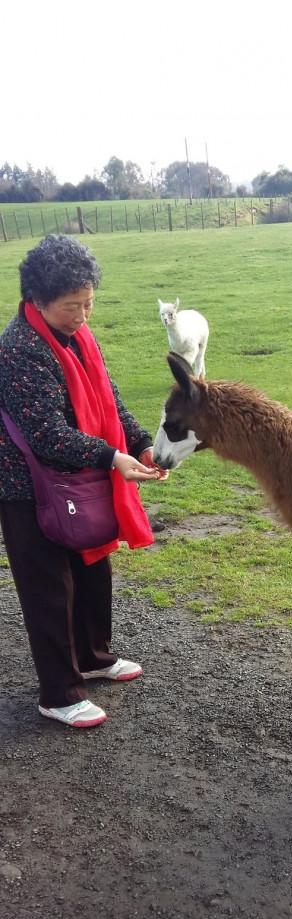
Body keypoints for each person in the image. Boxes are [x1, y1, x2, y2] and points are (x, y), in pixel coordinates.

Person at [0, 234, 165, 729]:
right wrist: (110, 455)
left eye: (88, 303)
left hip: (78, 478)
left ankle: (94, 658)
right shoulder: (18, 350)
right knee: (50, 586)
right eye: (72, 306)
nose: (82, 315)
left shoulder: (80, 339)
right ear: (38, 299)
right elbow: (46, 434)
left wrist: (138, 444)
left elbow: (109, 400)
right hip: (26, 486)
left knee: (93, 567)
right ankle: (59, 692)